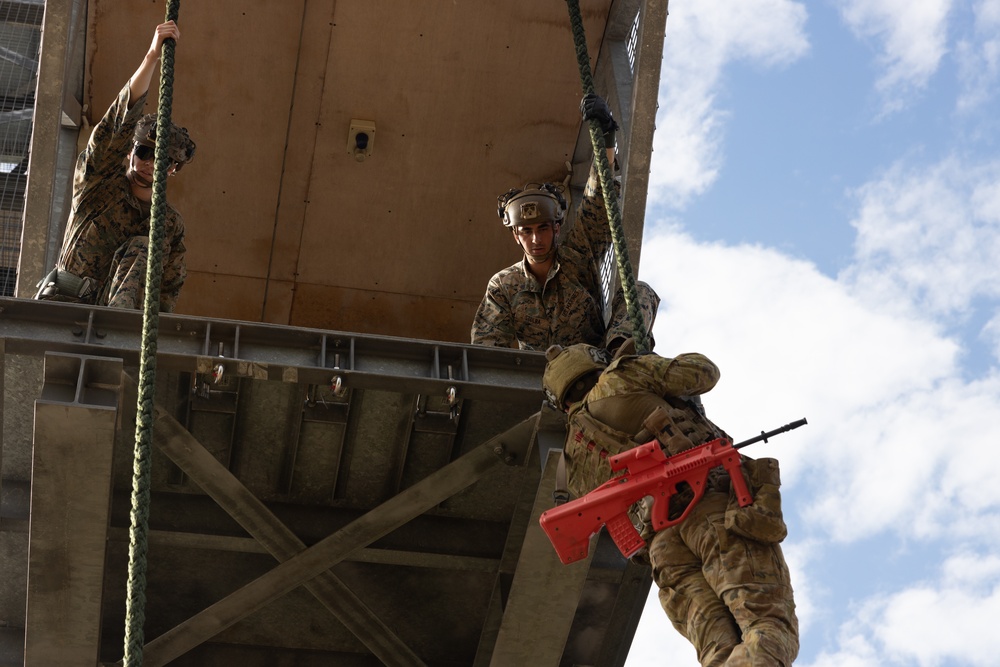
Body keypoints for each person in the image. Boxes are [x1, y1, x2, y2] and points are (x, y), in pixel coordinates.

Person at [542, 342, 799, 667]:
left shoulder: (572, 454)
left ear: (561, 400)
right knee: (768, 626)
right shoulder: (618, 379)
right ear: (597, 366)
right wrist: (642, 363)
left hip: (665, 551)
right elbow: (704, 372)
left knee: (717, 652)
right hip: (711, 510)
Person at [471, 93, 659, 352]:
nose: (536, 240)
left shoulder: (578, 254)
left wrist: (606, 136)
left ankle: (621, 355)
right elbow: (487, 346)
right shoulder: (504, 285)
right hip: (543, 377)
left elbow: (599, 199)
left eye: (543, 229)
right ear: (515, 235)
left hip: (596, 363)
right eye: (526, 231)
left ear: (557, 228)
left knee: (639, 291)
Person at [36, 21, 195, 312]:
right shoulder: (99, 184)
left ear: (173, 169)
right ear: (131, 151)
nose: (149, 164)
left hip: (118, 323)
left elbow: (167, 290)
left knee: (145, 248)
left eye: (161, 160)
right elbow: (114, 128)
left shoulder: (169, 224)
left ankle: (119, 328)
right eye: (144, 152)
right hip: (64, 305)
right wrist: (151, 57)